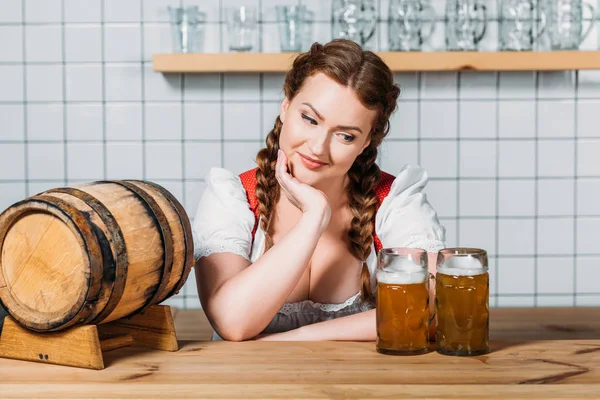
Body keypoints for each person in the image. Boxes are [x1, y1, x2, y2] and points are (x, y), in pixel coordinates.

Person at [192, 39, 446, 342]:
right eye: (309, 119)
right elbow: (232, 322)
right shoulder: (233, 196)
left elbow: (430, 308)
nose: (317, 147)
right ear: (286, 106)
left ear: (366, 143)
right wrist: (314, 218)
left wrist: (294, 339)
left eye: (345, 136)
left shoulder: (394, 201)